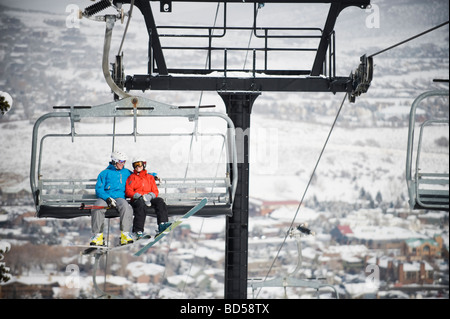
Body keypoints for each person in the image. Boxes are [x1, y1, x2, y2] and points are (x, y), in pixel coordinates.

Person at [90, 150, 134, 246]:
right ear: (114, 161)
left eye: (124, 162)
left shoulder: (126, 172)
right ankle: (98, 236)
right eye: (121, 161)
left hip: (119, 197)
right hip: (105, 198)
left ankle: (125, 234)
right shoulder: (105, 173)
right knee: (97, 207)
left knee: (126, 207)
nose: (123, 164)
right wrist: (107, 198)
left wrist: (154, 176)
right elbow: (99, 189)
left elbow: (138, 176)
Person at [125, 156, 171, 239]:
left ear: (144, 165)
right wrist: (137, 195)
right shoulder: (132, 178)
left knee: (160, 201)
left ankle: (162, 224)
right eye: (135, 165)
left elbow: (155, 191)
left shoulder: (149, 177)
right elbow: (128, 191)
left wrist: (150, 196)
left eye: (139, 164)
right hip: (137, 199)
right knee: (141, 205)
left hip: (148, 197)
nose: (137, 167)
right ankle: (138, 231)